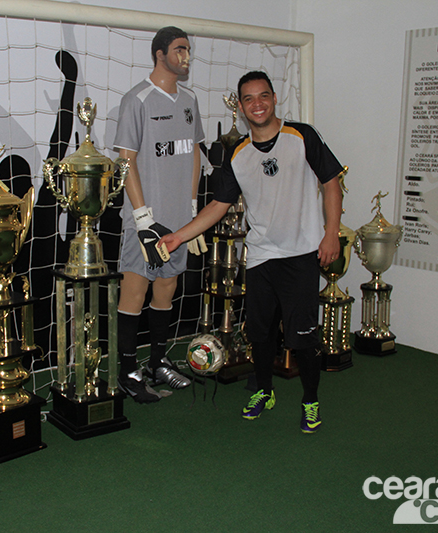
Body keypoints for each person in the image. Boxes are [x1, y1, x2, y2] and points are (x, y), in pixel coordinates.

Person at [159, 70, 344, 432]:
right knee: (259, 334)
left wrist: (331, 233)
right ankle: (264, 390)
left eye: (263, 96)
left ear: (274, 99)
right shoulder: (238, 154)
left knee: (302, 339)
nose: (257, 104)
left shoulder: (302, 136)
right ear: (241, 106)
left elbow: (331, 183)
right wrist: (179, 236)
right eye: (249, 99)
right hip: (261, 256)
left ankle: (310, 400)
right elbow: (218, 206)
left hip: (303, 253)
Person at [114, 26, 206, 402]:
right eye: (179, 50)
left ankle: (157, 361)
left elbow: (195, 152)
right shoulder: (136, 99)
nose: (186, 57)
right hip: (146, 220)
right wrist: (141, 217)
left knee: (167, 285)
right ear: (159, 54)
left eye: (188, 50)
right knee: (135, 288)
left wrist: (193, 206)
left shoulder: (189, 99)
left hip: (180, 220)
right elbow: (126, 160)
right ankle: (126, 371)